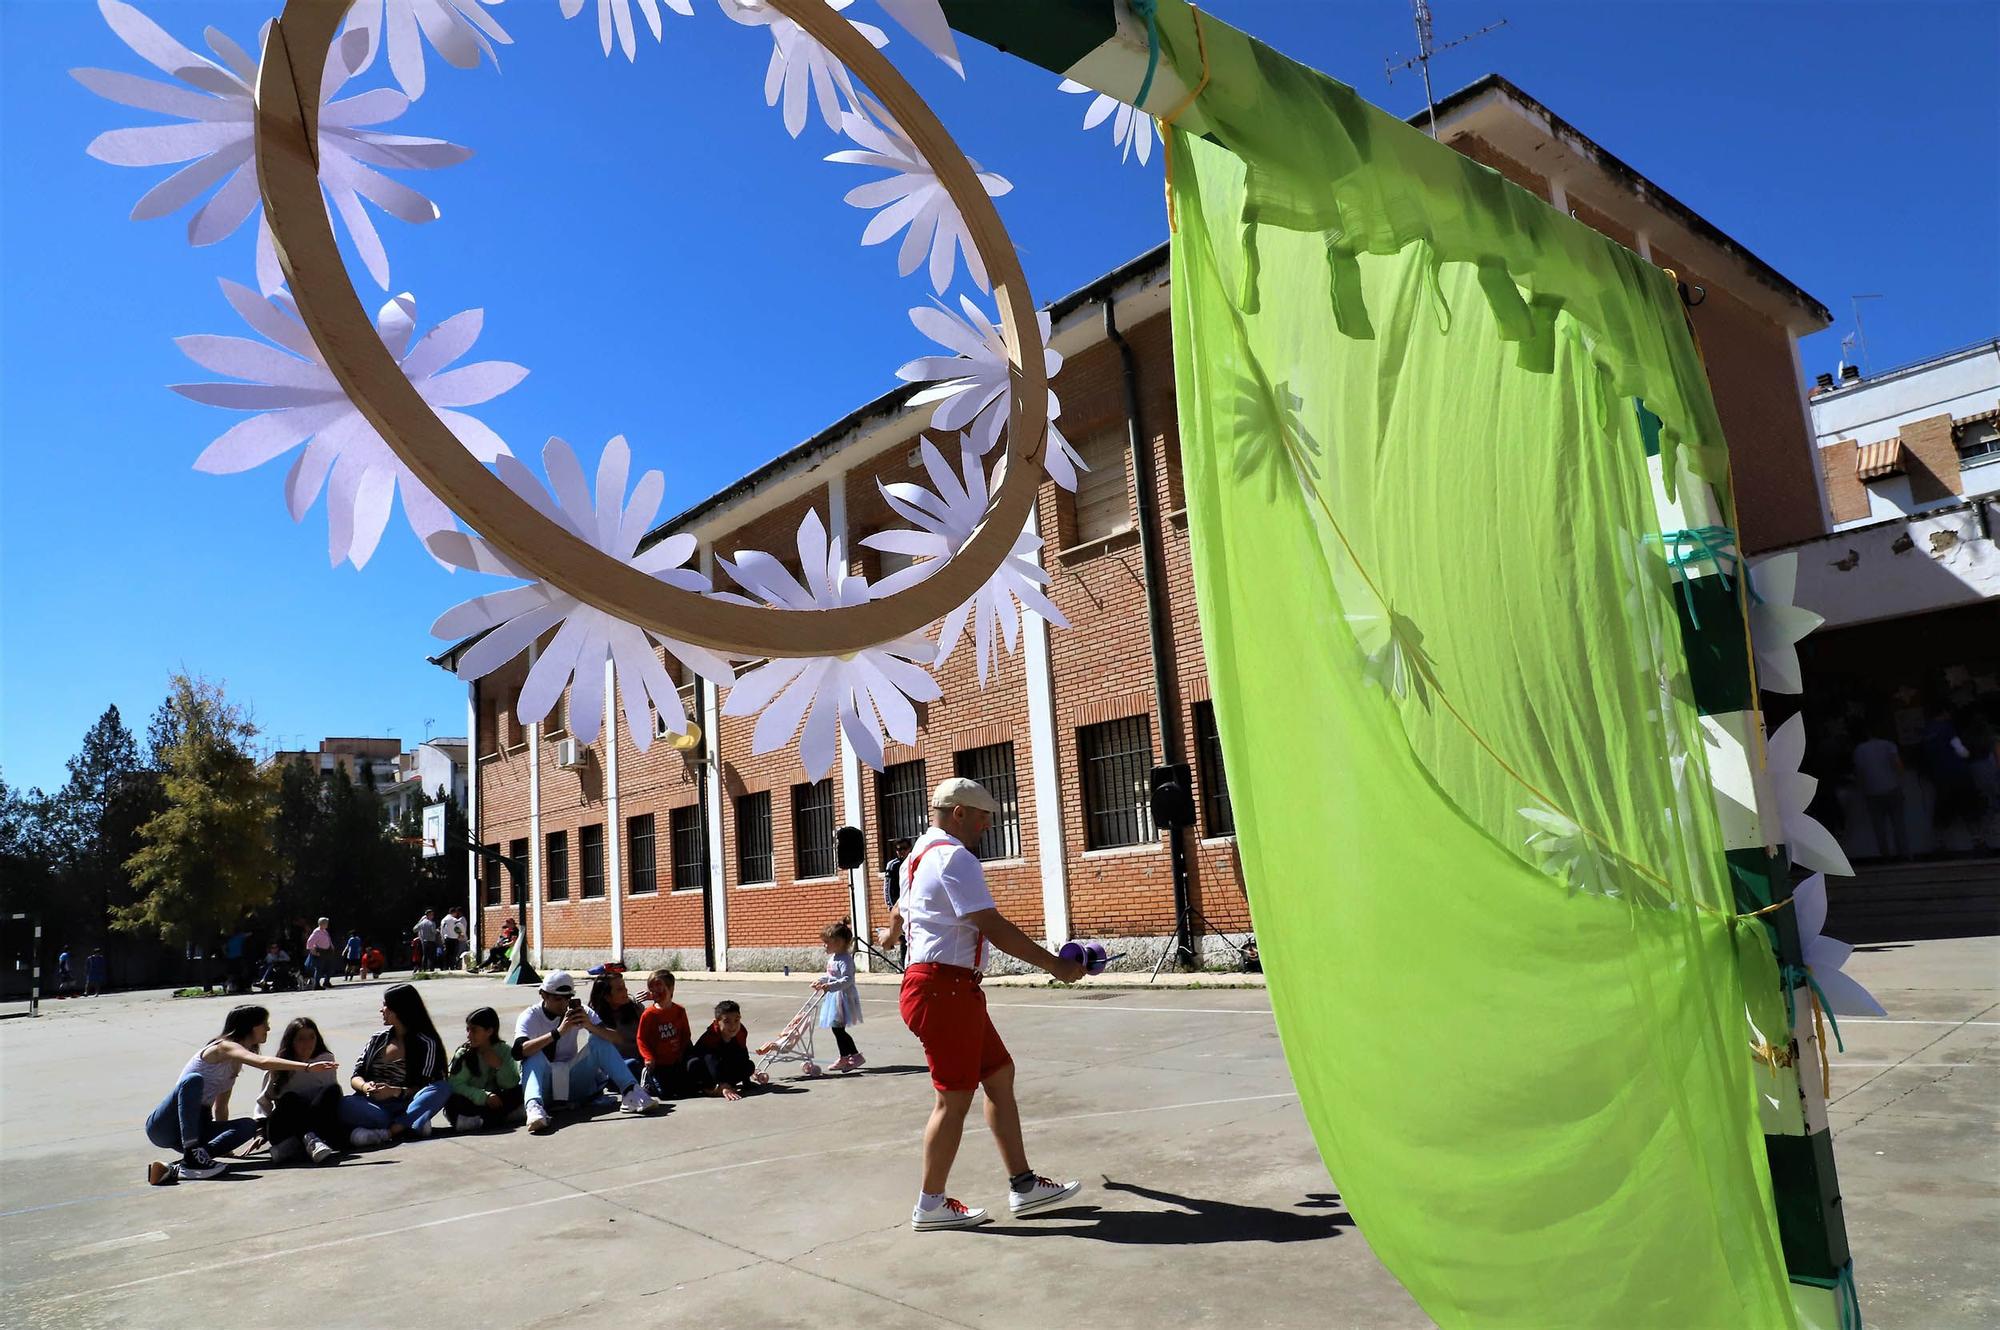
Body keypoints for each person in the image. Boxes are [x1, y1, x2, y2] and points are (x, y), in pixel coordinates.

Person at [879, 777, 1085, 1231]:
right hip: (943, 990)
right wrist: (1056, 966)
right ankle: (930, 1205)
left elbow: (897, 909)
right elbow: (992, 926)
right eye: (982, 816)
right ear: (958, 814)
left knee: (998, 1075)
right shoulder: (954, 856)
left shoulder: (917, 854)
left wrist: (893, 934)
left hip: (946, 989)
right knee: (953, 1100)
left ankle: (1024, 1184)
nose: (987, 825)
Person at [145, 1004, 336, 1184]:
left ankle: (181, 1166)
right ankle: (193, 1155)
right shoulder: (223, 1047)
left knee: (248, 1125)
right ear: (250, 1026)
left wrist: (225, 1146)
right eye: (264, 1024)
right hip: (166, 1123)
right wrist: (307, 1067)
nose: (268, 1029)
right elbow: (262, 1062)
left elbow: (221, 1107)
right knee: (192, 1080)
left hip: (196, 1126)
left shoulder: (233, 1064)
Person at [512, 971, 654, 1133]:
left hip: (572, 1084)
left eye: (568, 998)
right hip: (544, 1086)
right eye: (558, 998)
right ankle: (534, 1107)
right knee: (533, 1054)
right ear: (543, 995)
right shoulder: (530, 1016)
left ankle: (631, 1092)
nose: (564, 1003)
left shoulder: (581, 1011)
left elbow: (617, 1039)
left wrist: (590, 1025)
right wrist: (558, 1032)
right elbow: (518, 1052)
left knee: (598, 1039)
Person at [339, 983, 451, 1148]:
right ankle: (410, 1124)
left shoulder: (425, 1043)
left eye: (385, 1005)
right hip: (373, 1107)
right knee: (342, 1103)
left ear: (400, 1010)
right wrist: (365, 1087)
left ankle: (390, 1131)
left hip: (406, 1104)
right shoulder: (377, 1039)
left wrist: (393, 1091)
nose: (381, 1010)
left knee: (442, 1088)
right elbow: (356, 1076)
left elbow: (424, 1086)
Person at [257, 1017, 343, 1165]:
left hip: (315, 1121)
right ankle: (308, 1141)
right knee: (291, 1099)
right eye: (301, 1039)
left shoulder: (326, 1060)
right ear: (291, 1042)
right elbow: (263, 1101)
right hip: (285, 1125)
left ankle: (294, 1147)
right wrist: (260, 1131)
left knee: (334, 1090)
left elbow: (327, 1101)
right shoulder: (280, 1065)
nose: (307, 1044)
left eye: (312, 1037)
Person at [444, 1007, 524, 1131]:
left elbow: (511, 1084)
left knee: (519, 1091)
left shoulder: (504, 1050)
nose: (469, 1035)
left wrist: (499, 1066)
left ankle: (485, 1120)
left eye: (474, 1031)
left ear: (489, 1031)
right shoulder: (464, 1053)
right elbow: (455, 1084)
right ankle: (496, 1119)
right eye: (468, 1030)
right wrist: (484, 1097)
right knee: (453, 1101)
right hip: (473, 1101)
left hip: (496, 1101)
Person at [637, 969, 710, 1099]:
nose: (655, 994)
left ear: (671, 989)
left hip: (676, 1060)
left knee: (688, 1090)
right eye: (652, 990)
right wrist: (648, 1057)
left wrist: (681, 1053)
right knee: (666, 1095)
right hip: (658, 1063)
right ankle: (649, 1081)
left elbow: (685, 1035)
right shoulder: (649, 1014)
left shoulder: (679, 1011)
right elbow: (641, 1039)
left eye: (660, 989)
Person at [814, 921, 865, 1073]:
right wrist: (822, 980)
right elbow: (830, 976)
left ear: (840, 942)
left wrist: (831, 986)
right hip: (833, 997)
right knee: (836, 1029)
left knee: (839, 1030)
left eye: (827, 943)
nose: (825, 946)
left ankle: (855, 1056)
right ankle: (844, 1056)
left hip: (843, 998)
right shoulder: (833, 958)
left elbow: (848, 979)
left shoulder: (845, 960)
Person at [1850, 719, 1906, 860]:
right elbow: (1898, 766)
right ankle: (1904, 854)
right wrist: (1898, 779)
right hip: (1892, 788)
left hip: (1872, 791)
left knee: (1879, 826)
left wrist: (1863, 788)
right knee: (1898, 823)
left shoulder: (1859, 750)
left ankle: (1885, 856)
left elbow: (1860, 772)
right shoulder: (1888, 745)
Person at [587, 971, 645, 1080]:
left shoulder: (635, 1009)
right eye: (620, 989)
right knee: (630, 1065)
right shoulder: (594, 1016)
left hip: (640, 1060)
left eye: (624, 987)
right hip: (614, 1065)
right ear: (607, 996)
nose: (626, 991)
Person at [704, 1001, 766, 1101]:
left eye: (736, 1020)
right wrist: (722, 1085)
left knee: (749, 1066)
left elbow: (743, 1054)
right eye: (727, 1021)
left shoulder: (741, 1032)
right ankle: (710, 1088)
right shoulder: (711, 1036)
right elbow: (711, 1062)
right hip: (706, 1070)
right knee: (694, 1065)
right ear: (716, 1022)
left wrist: (746, 1081)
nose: (733, 1026)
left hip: (724, 1066)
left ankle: (728, 1084)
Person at [305, 917, 335, 991]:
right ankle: (317, 985)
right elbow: (309, 943)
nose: (327, 924)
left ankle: (327, 982)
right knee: (319, 969)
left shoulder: (324, 931)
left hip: (327, 952)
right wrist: (314, 952)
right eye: (326, 923)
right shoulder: (317, 932)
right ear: (322, 924)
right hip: (320, 952)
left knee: (329, 968)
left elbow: (328, 939)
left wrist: (331, 946)